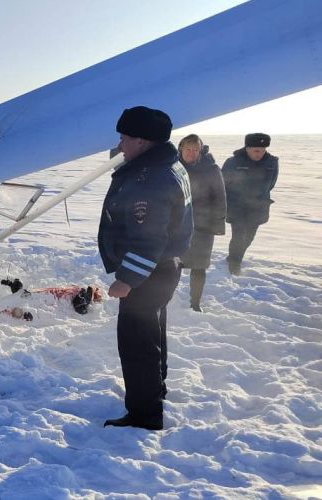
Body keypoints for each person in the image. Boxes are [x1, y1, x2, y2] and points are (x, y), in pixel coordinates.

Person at [98, 106, 193, 430]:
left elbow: (148, 238)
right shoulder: (165, 163)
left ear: (142, 141)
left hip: (149, 272)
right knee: (152, 335)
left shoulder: (150, 181)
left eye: (124, 137)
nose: (120, 143)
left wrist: (127, 279)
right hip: (164, 268)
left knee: (136, 343)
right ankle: (154, 391)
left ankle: (144, 415)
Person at [178, 134, 226, 311]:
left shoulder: (211, 169)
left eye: (195, 150)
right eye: (188, 149)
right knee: (173, 264)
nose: (191, 153)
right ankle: (166, 297)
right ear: (180, 149)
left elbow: (220, 198)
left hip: (203, 225)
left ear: (200, 151)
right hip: (177, 225)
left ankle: (195, 303)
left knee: (199, 266)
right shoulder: (172, 167)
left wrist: (217, 226)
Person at [221, 133, 278, 275]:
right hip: (237, 206)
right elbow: (223, 183)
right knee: (239, 235)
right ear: (247, 148)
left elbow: (271, 183)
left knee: (249, 236)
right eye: (256, 150)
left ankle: (236, 256)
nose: (260, 154)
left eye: (263, 150)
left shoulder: (272, 162)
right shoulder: (233, 162)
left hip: (258, 206)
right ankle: (234, 262)